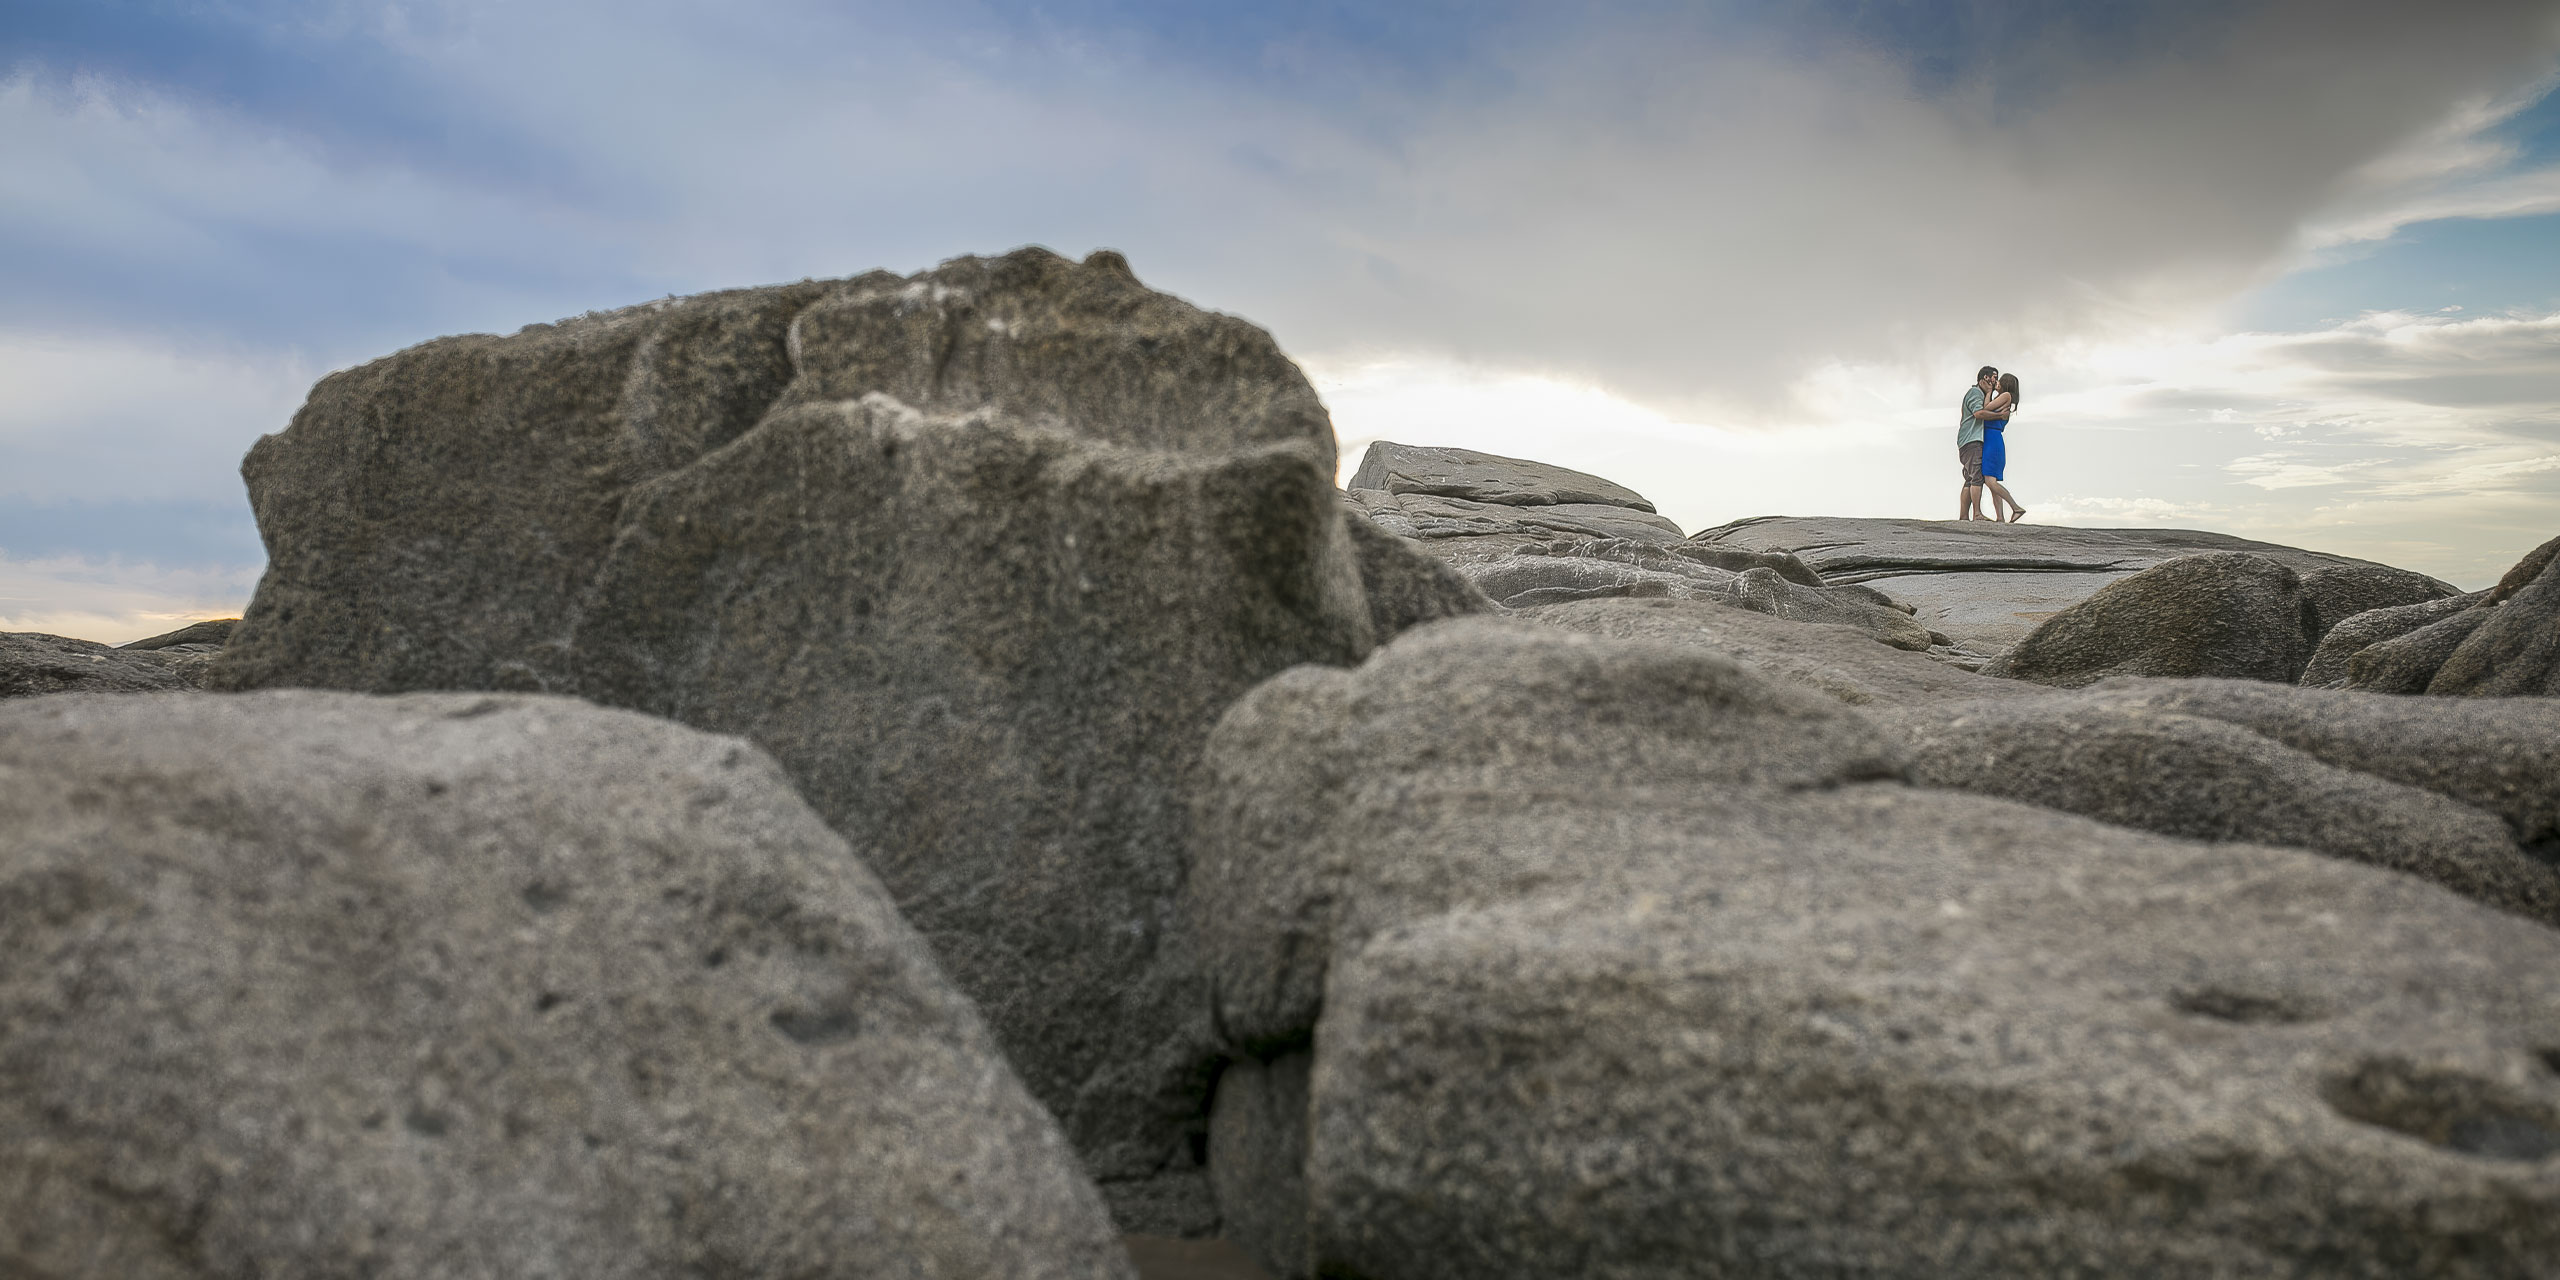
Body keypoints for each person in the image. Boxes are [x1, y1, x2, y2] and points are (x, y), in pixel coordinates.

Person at [1979, 372, 2026, 522]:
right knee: (1992, 483)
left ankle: (2015, 507)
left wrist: (1988, 392)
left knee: (1990, 481)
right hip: (1992, 440)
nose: (1996, 382)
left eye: (1999, 381)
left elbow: (1986, 407)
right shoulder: (2003, 398)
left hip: (1992, 441)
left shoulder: (2005, 395)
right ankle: (2000, 517)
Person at [1957, 366, 1997, 520]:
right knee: (1977, 477)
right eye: (1993, 377)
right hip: (1972, 439)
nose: (1995, 381)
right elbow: (1978, 413)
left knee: (1969, 478)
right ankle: (1977, 513)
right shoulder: (1975, 393)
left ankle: (1964, 516)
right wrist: (1999, 415)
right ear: (1984, 378)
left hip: (1966, 440)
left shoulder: (1979, 393)